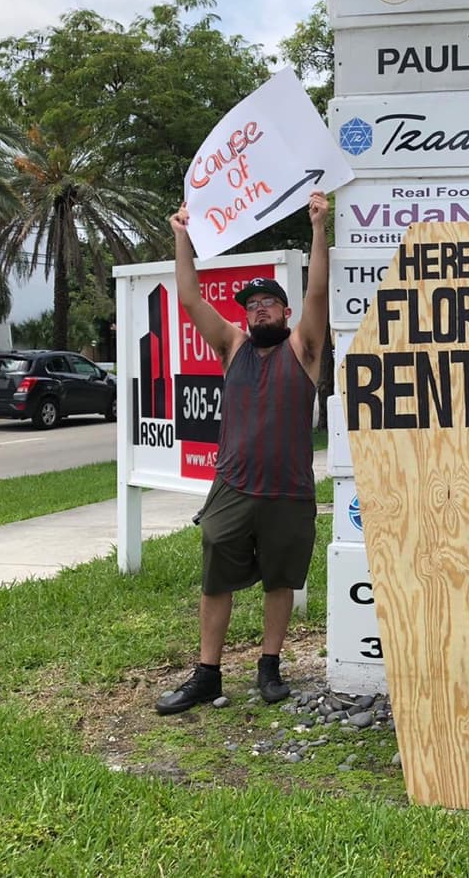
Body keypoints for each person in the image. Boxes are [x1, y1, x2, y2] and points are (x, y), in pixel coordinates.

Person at [154, 190, 330, 716]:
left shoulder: (304, 349)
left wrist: (318, 227)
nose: (258, 310)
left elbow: (319, 293)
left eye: (267, 303)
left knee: (281, 580)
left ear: (285, 311)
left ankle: (269, 666)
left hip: (288, 491)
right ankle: (207, 673)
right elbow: (190, 299)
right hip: (232, 487)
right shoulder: (233, 348)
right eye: (251, 305)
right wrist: (181, 238)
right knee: (216, 579)